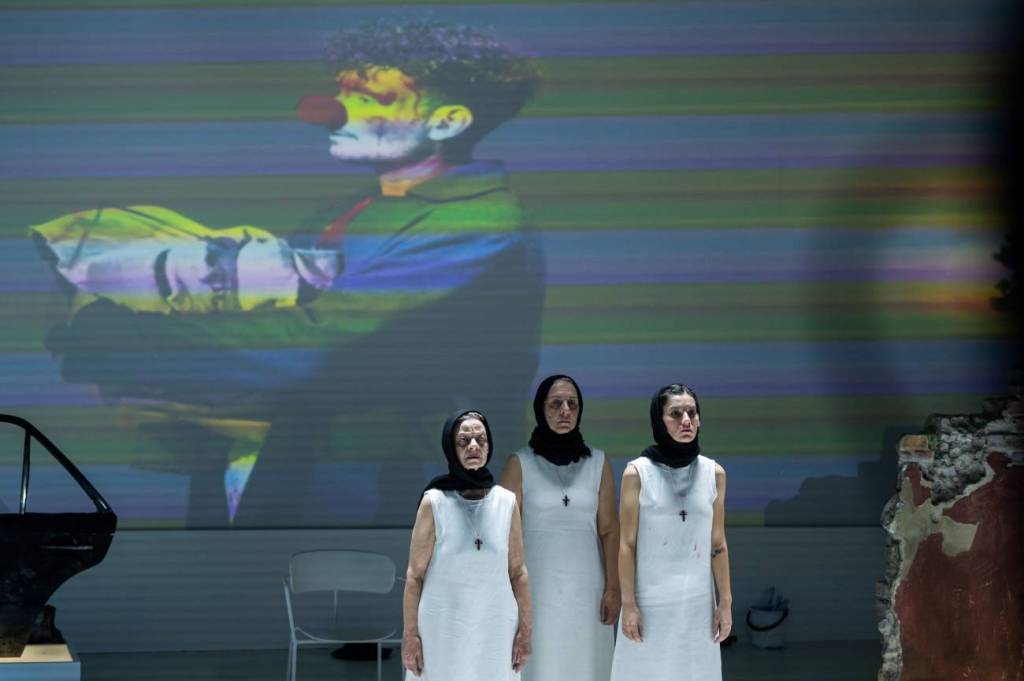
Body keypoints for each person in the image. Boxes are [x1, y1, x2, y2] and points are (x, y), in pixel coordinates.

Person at [30, 20, 544, 526]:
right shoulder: (349, 212)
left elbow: (313, 345)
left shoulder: (478, 221)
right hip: (279, 479)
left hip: (380, 499)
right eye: (343, 92)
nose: (330, 111)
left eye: (369, 98)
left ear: (447, 122)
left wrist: (118, 338)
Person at [610, 384, 732, 681]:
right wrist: (629, 604)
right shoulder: (637, 473)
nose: (686, 420)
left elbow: (717, 544)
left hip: (698, 605)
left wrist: (726, 603)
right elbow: (626, 545)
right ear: (659, 420)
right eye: (676, 414)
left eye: (692, 412)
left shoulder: (714, 473)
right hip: (650, 603)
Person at [500, 375, 618, 681]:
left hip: (588, 592)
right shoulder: (519, 464)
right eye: (555, 404)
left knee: (586, 665)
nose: (565, 411)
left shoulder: (598, 463)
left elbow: (608, 531)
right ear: (541, 410)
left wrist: (613, 588)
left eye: (572, 404)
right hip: (535, 591)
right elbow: (504, 538)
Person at [403, 410, 531, 681]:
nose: (473, 446)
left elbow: (518, 573)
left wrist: (525, 632)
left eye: (480, 440)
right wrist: (410, 636)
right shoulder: (434, 502)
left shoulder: (506, 502)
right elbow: (414, 576)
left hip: (496, 629)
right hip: (442, 629)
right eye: (464, 441)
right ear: (451, 448)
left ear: (489, 445)